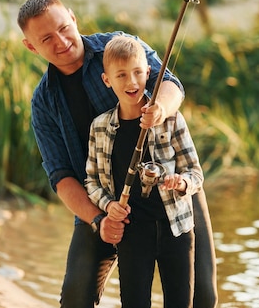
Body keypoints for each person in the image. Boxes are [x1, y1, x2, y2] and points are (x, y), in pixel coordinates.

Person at [17, 0, 217, 308]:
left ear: (73, 17)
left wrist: (160, 108)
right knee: (75, 298)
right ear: (31, 46)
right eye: (46, 38)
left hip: (170, 191)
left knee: (201, 296)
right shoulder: (44, 102)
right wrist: (99, 219)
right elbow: (61, 176)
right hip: (105, 202)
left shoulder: (119, 45)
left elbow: (169, 82)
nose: (61, 41)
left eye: (64, 28)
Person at [85, 35, 203, 307]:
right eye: (122, 75)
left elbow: (195, 172)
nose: (132, 82)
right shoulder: (99, 127)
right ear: (107, 80)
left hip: (177, 229)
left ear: (149, 73)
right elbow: (91, 182)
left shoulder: (171, 117)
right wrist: (109, 205)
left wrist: (181, 183)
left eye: (138, 73)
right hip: (133, 233)